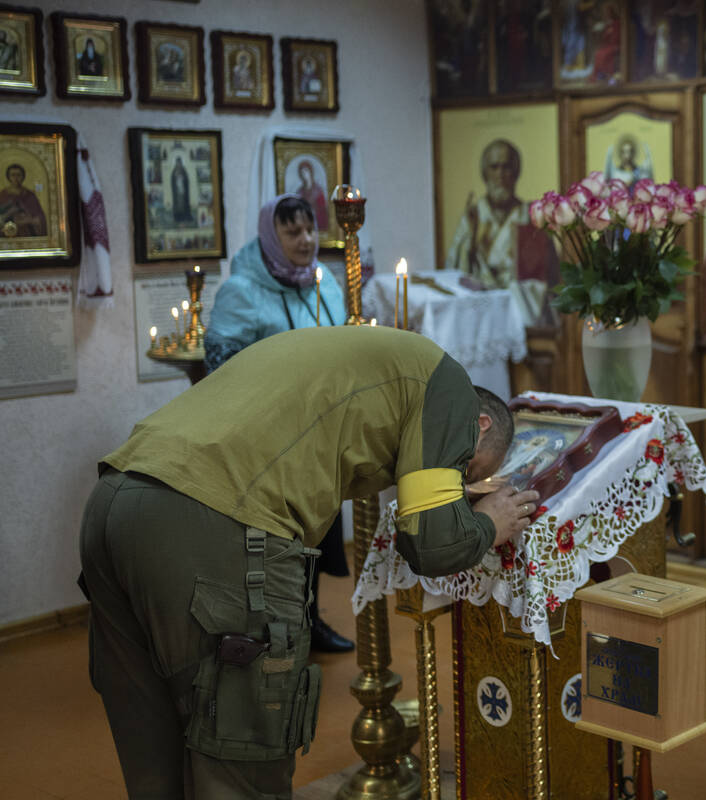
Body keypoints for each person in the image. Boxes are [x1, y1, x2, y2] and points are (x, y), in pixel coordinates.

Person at [80, 324, 539, 799]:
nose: (459, 480)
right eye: (467, 469)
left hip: (114, 501)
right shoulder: (452, 391)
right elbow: (433, 542)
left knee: (154, 760)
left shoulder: (359, 359)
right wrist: (489, 523)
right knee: (240, 768)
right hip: (215, 520)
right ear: (481, 424)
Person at [205, 194, 352, 652]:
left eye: (310, 229)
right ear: (272, 235)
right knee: (278, 541)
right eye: (293, 231)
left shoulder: (325, 282)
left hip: (320, 435)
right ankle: (274, 633)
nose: (306, 240)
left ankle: (309, 623)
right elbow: (220, 365)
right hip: (268, 439)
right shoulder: (243, 290)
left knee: (318, 537)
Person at [445, 138, 560, 327]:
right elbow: (455, 268)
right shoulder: (473, 217)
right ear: (485, 173)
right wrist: (471, 245)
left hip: (523, 316)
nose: (500, 174)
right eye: (494, 167)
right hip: (480, 315)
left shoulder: (531, 216)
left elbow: (550, 274)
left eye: (506, 167)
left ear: (515, 173)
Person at [0, 163, 47, 237]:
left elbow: (40, 216)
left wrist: (30, 220)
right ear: (8, 177)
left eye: (18, 175)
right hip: (8, 233)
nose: (16, 178)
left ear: (23, 176)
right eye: (13, 175)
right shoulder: (2, 195)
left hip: (27, 233)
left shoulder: (30, 195)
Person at [293, 160, 330, 231]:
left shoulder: (318, 190)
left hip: (318, 223)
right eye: (302, 172)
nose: (304, 174)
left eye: (306, 171)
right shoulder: (300, 192)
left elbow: (323, 210)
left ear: (310, 172)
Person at [170, 157, 192, 224]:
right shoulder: (174, 171)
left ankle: (185, 217)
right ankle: (178, 218)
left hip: (183, 192)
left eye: (179, 163)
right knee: (178, 205)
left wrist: (182, 178)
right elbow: (172, 180)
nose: (178, 164)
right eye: (177, 163)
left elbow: (186, 180)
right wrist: (176, 177)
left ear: (181, 163)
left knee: (184, 204)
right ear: (176, 163)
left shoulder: (184, 171)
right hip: (177, 193)